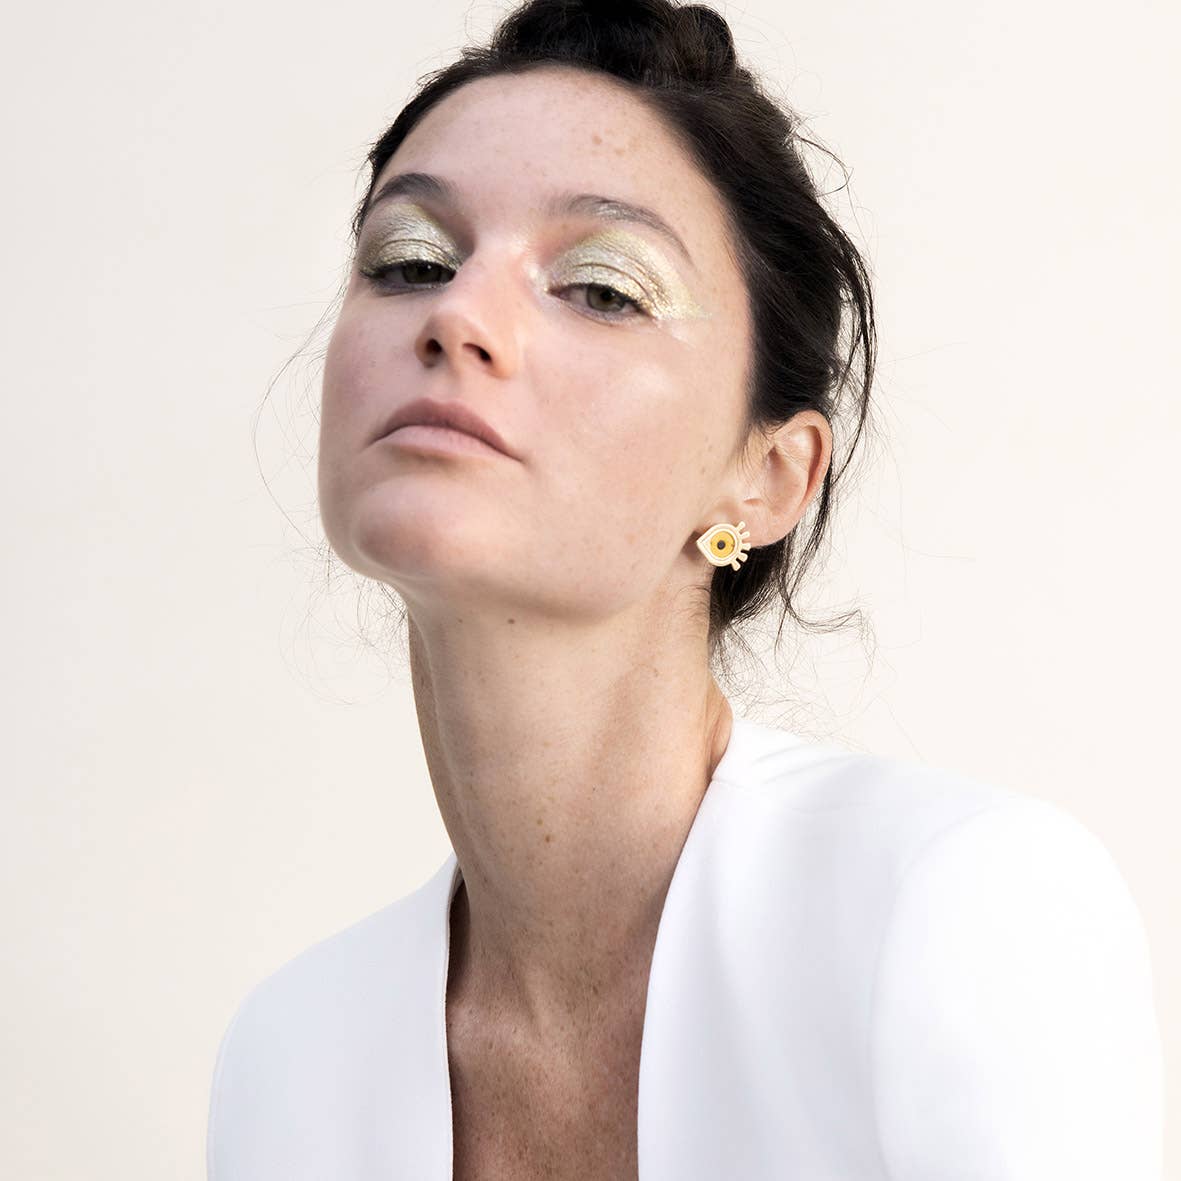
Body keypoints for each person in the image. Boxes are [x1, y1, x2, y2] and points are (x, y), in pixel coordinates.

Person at [205, 1, 1165, 1178]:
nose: (455, 315)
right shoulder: (292, 1058)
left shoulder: (954, 914)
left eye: (602, 287)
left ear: (766, 478)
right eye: (408, 261)